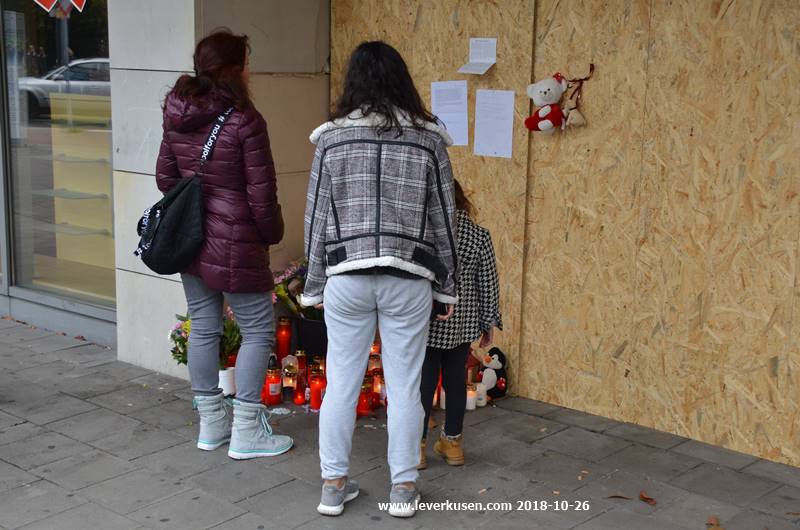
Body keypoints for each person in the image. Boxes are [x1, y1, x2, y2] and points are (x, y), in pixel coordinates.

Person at [301, 41, 458, 518]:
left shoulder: (330, 141)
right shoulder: (428, 141)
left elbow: (316, 220)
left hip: (346, 275)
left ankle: (333, 486)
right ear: (401, 80)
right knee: (405, 385)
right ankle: (404, 489)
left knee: (341, 383)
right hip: (408, 277)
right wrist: (447, 286)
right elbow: (444, 219)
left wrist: (313, 286)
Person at [155, 29, 292, 460]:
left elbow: (165, 177)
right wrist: (271, 233)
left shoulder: (177, 113)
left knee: (203, 325)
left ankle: (211, 426)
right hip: (236, 239)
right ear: (236, 69)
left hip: (191, 238)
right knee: (257, 330)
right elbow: (261, 195)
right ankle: (247, 432)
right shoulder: (245, 120)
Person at [419, 179, 502, 469]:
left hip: (428, 321)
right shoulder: (479, 235)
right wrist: (488, 322)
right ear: (462, 199)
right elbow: (488, 282)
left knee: (424, 384)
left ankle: (416, 447)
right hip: (462, 326)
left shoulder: (427, 233)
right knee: (456, 383)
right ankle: (452, 444)